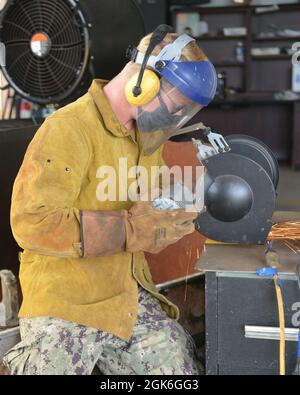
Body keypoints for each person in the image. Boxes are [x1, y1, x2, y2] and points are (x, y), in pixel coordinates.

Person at [3, 25, 217, 375]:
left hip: (126, 293)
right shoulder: (69, 128)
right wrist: (130, 229)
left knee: (176, 366)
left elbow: (151, 203)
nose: (175, 119)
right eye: (175, 106)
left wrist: (173, 209)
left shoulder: (146, 136)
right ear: (143, 82)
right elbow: (32, 222)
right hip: (67, 298)